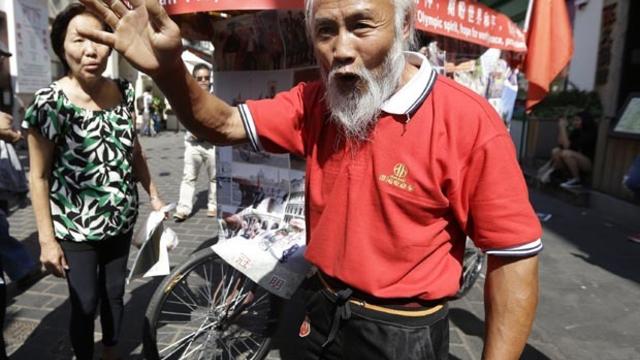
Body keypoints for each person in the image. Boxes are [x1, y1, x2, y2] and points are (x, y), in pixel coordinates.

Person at [80, 0, 542, 358]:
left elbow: (514, 257)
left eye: (361, 25)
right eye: (325, 31)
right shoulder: (315, 102)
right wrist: (168, 70)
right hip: (318, 309)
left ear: (404, 26)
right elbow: (220, 125)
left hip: (401, 331)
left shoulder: (468, 122)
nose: (341, 50)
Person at [22, 4, 165, 360]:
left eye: (99, 40)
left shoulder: (123, 91)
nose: (91, 50)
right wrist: (46, 240)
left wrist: (154, 195)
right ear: (61, 46)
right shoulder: (49, 103)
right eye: (79, 40)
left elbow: (135, 152)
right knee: (85, 302)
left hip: (120, 218)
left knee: (114, 293)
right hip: (75, 228)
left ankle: (111, 353)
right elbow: (38, 176)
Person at [173, 63, 218, 222]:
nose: (204, 81)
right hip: (193, 145)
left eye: (206, 78)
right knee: (188, 177)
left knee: (214, 177)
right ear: (194, 79)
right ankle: (183, 209)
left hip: (211, 145)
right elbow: (181, 116)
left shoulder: (216, 96)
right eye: (200, 78)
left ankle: (213, 205)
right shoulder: (187, 96)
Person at [538, 111, 597, 188]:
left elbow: (567, 146)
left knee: (566, 153)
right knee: (555, 151)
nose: (574, 122)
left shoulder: (590, 133)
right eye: (574, 120)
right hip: (575, 159)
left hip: (588, 163)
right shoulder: (576, 131)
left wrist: (563, 127)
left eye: (577, 120)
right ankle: (563, 175)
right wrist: (561, 128)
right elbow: (561, 143)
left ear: (585, 120)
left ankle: (577, 180)